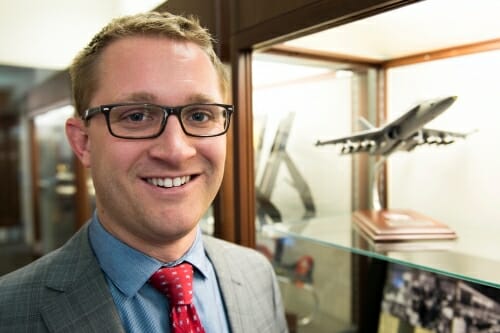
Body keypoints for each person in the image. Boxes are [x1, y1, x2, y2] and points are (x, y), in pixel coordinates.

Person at [0, 11, 288, 333]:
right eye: (137, 116)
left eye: (199, 115)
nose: (176, 150)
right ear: (83, 143)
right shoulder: (9, 312)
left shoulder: (257, 274)